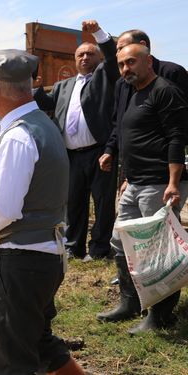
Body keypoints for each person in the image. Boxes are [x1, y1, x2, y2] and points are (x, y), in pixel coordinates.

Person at [0, 49, 84, 374]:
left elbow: (4, 207)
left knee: (11, 362)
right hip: (44, 256)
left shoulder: (18, 135)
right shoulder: (43, 124)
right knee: (41, 343)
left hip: (19, 261)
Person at [97, 44, 188, 334]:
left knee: (157, 252)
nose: (126, 69)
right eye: (122, 64)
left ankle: (159, 316)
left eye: (131, 62)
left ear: (149, 61)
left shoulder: (165, 90)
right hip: (135, 183)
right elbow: (130, 137)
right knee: (121, 243)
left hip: (159, 184)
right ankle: (130, 303)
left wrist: (173, 181)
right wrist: (124, 170)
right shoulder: (132, 93)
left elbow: (177, 137)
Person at [33, 20, 120, 261]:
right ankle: (73, 247)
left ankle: (99, 249)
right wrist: (37, 90)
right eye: (80, 54)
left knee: (102, 203)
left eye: (90, 54)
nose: (84, 58)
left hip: (100, 152)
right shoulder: (63, 86)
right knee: (73, 204)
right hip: (70, 154)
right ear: (74, 59)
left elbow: (112, 57)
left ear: (98, 58)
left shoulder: (104, 77)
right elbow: (49, 105)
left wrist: (99, 34)